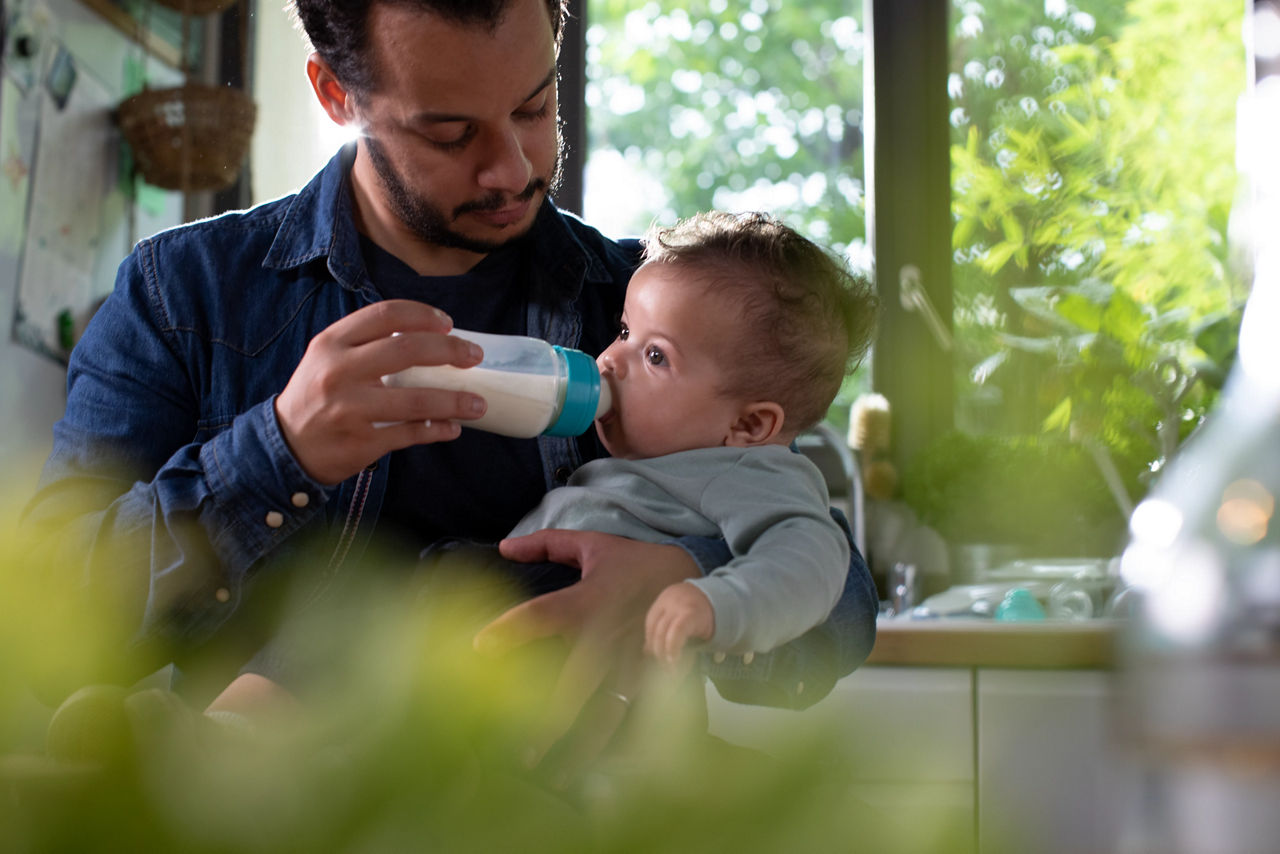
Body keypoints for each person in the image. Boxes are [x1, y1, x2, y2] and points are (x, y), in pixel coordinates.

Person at [19, 0, 878, 747]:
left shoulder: (646, 306)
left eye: (536, 107)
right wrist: (276, 454)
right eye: (451, 132)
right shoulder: (187, 295)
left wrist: (683, 580)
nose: (512, 168)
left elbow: (840, 607)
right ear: (336, 96)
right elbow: (47, 626)